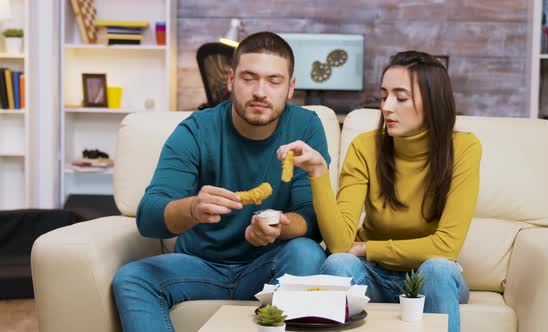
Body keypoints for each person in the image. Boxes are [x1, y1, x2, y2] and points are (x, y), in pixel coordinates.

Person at [112, 31, 330, 332]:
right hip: (201, 266)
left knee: (307, 252)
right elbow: (148, 217)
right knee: (131, 278)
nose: (260, 91)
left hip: (268, 265)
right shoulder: (196, 130)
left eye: (274, 81)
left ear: (290, 87)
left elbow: (311, 218)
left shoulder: (305, 126)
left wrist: (279, 227)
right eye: (249, 78)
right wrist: (191, 208)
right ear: (230, 80)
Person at [277, 51, 481, 332]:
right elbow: (338, 245)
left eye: (401, 97)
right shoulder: (365, 146)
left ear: (433, 102)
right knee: (339, 264)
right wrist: (318, 172)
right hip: (371, 274)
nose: (387, 106)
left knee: (438, 268)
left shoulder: (464, 148)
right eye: (384, 95)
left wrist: (366, 247)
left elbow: (446, 247)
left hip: (429, 277)